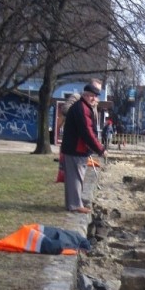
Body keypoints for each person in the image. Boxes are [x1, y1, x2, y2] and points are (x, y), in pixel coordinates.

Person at [60, 81, 105, 214]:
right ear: (85, 95)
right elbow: (87, 132)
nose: (94, 99)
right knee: (76, 177)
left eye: (96, 96)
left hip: (74, 147)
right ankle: (74, 205)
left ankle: (73, 203)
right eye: (92, 96)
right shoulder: (82, 109)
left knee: (73, 177)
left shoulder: (83, 107)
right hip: (76, 148)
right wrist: (100, 149)